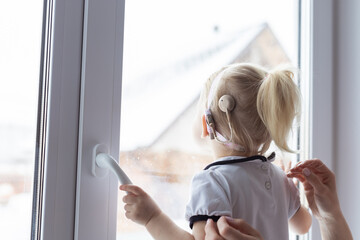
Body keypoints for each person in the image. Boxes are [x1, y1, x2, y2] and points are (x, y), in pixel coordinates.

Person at [120, 63, 312, 240]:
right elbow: (303, 226)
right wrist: (291, 189)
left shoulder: (213, 181)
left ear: (206, 124)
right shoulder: (278, 178)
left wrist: (152, 217)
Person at [204, 159, 353, 240]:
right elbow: (303, 226)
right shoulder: (279, 177)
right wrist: (328, 214)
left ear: (207, 127)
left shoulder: (210, 181)